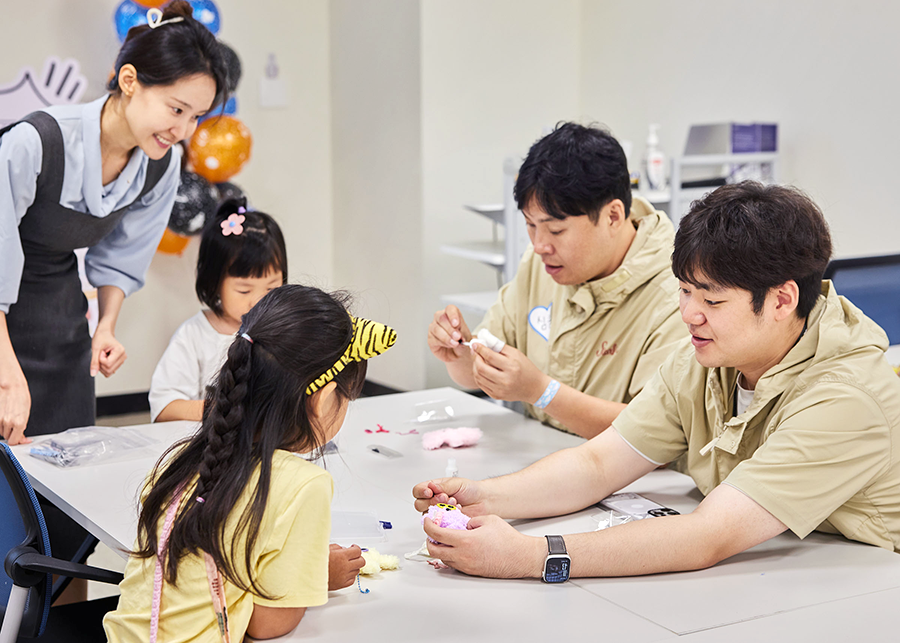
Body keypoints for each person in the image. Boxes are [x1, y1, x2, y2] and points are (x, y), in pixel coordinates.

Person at [413, 182, 900, 580]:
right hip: (787, 561)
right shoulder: (710, 357)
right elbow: (599, 463)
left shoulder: (845, 397)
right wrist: (485, 498)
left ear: (781, 300)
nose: (689, 314)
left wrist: (528, 555)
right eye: (685, 291)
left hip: (866, 582)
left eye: (711, 301)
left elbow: (707, 536)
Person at [104, 284, 398, 641]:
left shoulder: (180, 462)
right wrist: (316, 576)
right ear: (323, 400)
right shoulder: (304, 485)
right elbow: (266, 626)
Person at [0, 0, 229, 446]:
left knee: (65, 457)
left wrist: (105, 325)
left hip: (60, 316)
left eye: (196, 117)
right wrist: (6, 372)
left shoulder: (162, 165)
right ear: (129, 80)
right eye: (176, 109)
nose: (183, 130)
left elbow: (123, 255)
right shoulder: (36, 142)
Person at [428, 123, 686, 439]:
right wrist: (461, 354)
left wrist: (542, 392)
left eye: (556, 230)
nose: (539, 245)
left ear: (613, 217)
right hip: (545, 454)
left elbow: (655, 434)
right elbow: (477, 369)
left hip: (627, 469)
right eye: (530, 225)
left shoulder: (677, 293)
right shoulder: (541, 264)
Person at [149, 198, 287, 422]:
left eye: (271, 288)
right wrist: (222, 409)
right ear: (214, 283)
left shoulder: (285, 329)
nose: (258, 301)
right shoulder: (194, 335)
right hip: (216, 441)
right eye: (244, 290)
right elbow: (164, 407)